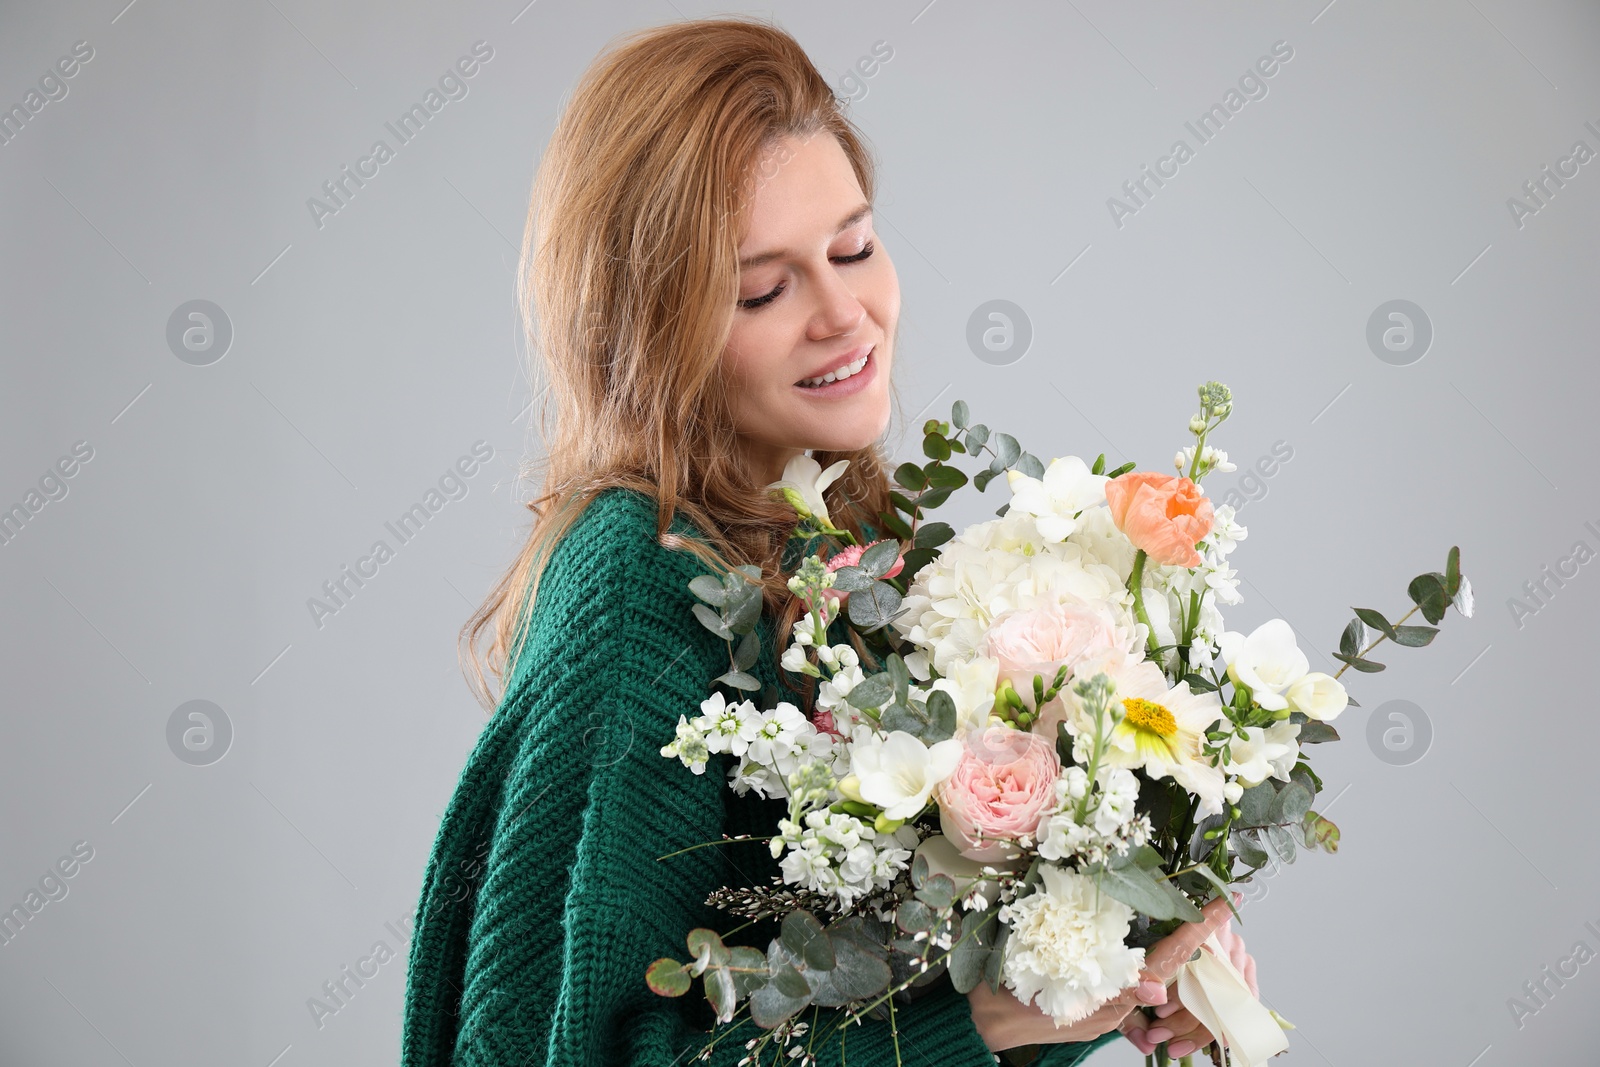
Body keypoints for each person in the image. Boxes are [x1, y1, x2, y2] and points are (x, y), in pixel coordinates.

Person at [399, 15, 1257, 1066]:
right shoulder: (640, 580)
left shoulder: (858, 545)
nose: (845, 312)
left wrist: (1103, 970)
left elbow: (881, 1009)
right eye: (763, 287)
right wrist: (974, 1024)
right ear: (650, 328)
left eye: (852, 246)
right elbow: (557, 1052)